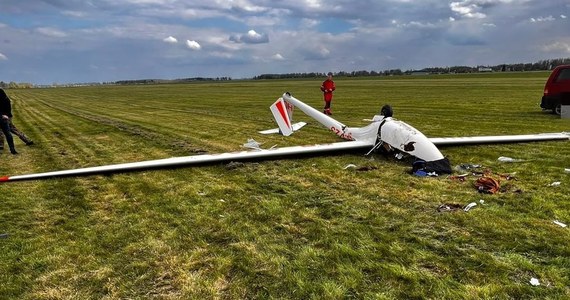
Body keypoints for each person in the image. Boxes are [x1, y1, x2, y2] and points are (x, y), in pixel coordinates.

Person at [0, 88, 29, 154]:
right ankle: (1, 145)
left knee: (11, 129)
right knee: (2, 130)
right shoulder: (4, 96)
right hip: (3, 116)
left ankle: (26, 140)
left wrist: (5, 115)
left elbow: (8, 107)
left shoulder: (4, 97)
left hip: (6, 117)